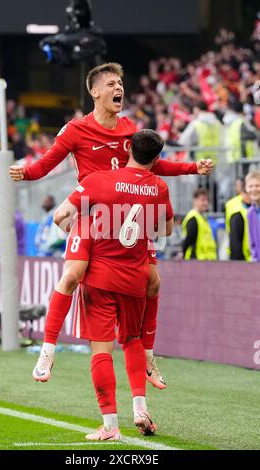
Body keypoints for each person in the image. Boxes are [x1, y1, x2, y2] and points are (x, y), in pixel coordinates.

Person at [9, 62, 213, 388]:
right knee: (73, 275)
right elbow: (47, 162)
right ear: (95, 91)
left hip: (127, 217)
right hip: (93, 212)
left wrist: (192, 168)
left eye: (121, 82)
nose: (119, 88)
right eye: (112, 83)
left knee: (154, 283)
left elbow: (154, 163)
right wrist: (27, 173)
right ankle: (48, 349)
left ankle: (147, 355)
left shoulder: (129, 127)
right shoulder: (76, 129)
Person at [56, 130, 173, 440]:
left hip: (100, 278)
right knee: (132, 340)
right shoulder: (159, 187)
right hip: (136, 277)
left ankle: (109, 426)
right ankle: (139, 408)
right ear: (157, 159)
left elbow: (63, 214)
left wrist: (78, 223)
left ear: (127, 150)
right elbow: (167, 229)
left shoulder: (100, 180)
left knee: (101, 349)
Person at [182, 189, 217, 260]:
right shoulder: (193, 218)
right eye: (203, 200)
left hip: (204, 262)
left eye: (207, 200)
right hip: (195, 261)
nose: (206, 203)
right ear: (195, 201)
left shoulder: (202, 218)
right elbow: (188, 242)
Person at [225, 184, 251, 261]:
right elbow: (235, 244)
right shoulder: (238, 215)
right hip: (244, 261)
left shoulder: (253, 210)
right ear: (242, 194)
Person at [246, 171, 260, 262]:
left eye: (257, 186)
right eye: (250, 186)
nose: (253, 189)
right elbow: (253, 245)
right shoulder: (250, 213)